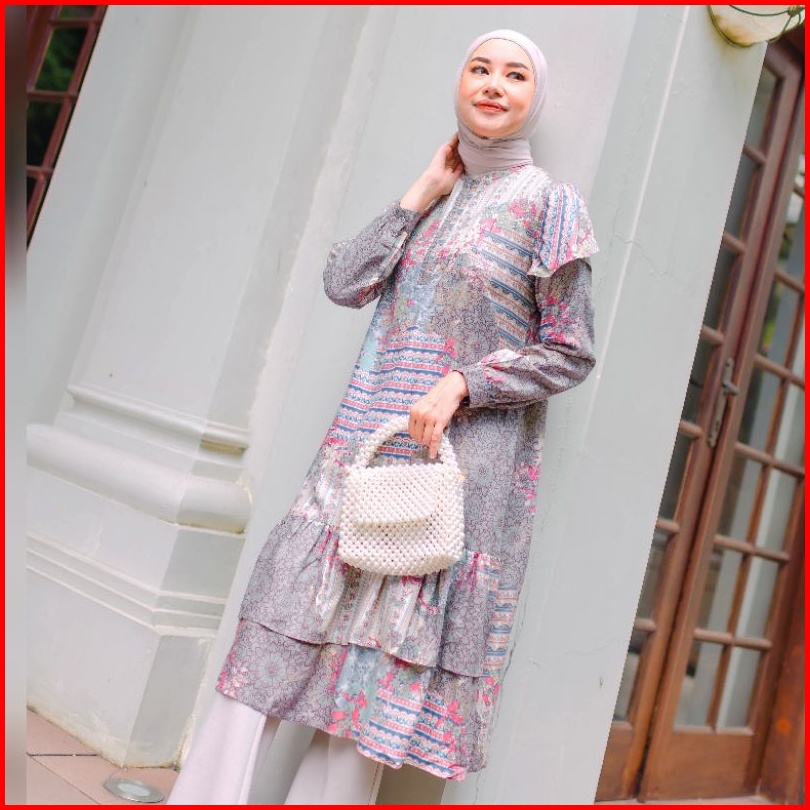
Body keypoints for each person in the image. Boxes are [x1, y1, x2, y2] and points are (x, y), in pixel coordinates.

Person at [168, 28, 597, 805]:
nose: (492, 84)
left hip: (454, 468)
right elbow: (345, 282)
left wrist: (465, 383)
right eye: (479, 69)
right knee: (276, 629)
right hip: (362, 447)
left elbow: (571, 350)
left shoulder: (550, 204)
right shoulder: (435, 198)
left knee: (371, 672)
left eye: (515, 76)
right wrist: (419, 192)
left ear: (536, 100)